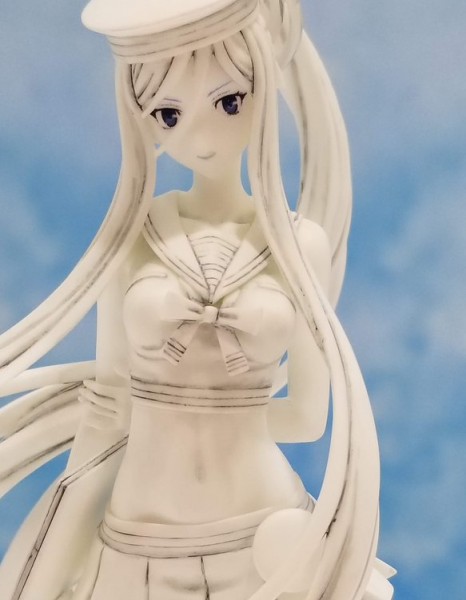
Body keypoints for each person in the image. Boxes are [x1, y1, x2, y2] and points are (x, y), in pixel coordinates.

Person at [0, 0, 394, 598]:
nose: (201, 136)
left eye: (230, 101)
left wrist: (224, 416)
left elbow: (308, 419)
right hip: (139, 542)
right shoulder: (130, 238)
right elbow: (114, 401)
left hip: (262, 532)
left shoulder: (299, 244)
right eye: (169, 113)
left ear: (263, 89)